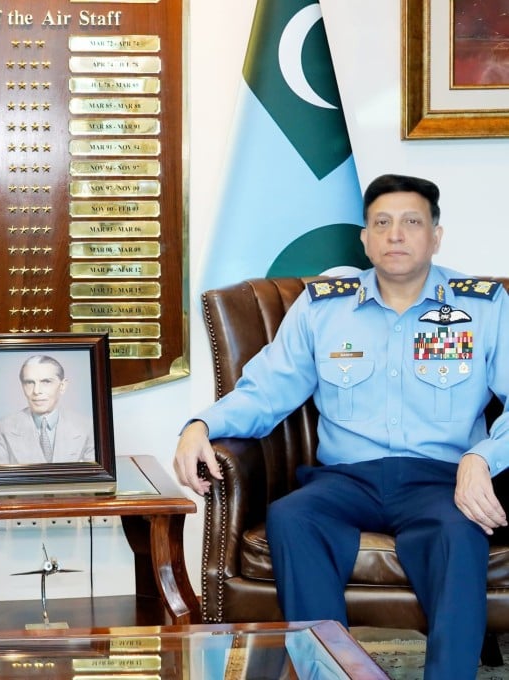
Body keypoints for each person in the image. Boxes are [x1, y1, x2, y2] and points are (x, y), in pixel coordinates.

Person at [173, 173, 509, 679]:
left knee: (460, 533)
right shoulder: (323, 306)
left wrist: (483, 457)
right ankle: (330, 673)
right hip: (345, 480)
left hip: (439, 478)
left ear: (435, 235)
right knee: (293, 518)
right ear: (365, 238)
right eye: (382, 223)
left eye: (412, 222)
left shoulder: (483, 307)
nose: (396, 235)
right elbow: (268, 389)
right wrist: (200, 424)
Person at [0, 354, 95, 464]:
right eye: (29, 382)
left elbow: (95, 477)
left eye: (46, 382)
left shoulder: (87, 427)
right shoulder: (1, 429)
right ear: (22, 386)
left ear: (62, 386)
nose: (36, 391)